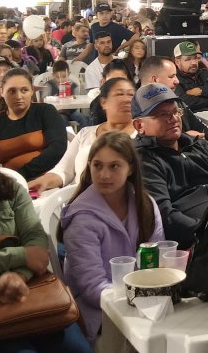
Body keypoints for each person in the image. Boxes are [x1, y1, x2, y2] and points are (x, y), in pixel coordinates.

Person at [0, 135, 92, 353]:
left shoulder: (9, 187)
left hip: (28, 289)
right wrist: (19, 257)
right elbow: (30, 253)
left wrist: (19, 275)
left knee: (79, 349)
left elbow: (35, 240)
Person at [61, 132, 163, 343]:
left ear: (130, 168)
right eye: (97, 166)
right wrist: (139, 300)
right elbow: (92, 288)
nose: (104, 175)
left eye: (114, 166)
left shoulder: (145, 204)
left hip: (142, 302)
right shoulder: (82, 218)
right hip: (98, 312)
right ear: (89, 166)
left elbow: (157, 261)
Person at [133, 83, 208, 247]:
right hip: (196, 246)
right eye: (163, 115)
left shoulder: (201, 146)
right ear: (139, 125)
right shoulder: (142, 160)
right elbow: (165, 216)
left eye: (176, 112)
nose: (174, 119)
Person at [27, 78, 136, 195]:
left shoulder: (142, 136)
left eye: (131, 95)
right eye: (119, 94)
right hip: (81, 199)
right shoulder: (85, 133)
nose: (127, 100)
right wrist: (43, 181)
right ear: (103, 102)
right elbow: (63, 170)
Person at [0, 68, 67, 181]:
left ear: (32, 90)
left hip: (44, 180)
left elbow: (58, 147)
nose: (18, 96)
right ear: (2, 92)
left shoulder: (45, 111)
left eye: (24, 90)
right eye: (12, 91)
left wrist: (20, 175)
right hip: (6, 184)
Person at [139, 55, 208, 148]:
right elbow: (144, 142)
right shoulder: (137, 108)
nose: (177, 81)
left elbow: (198, 124)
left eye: (176, 76)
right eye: (171, 77)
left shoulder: (177, 101)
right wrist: (184, 137)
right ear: (155, 80)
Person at [173, 40, 208, 112]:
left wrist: (201, 90)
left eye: (195, 58)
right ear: (177, 62)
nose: (194, 62)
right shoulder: (174, 78)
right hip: (193, 116)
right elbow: (185, 102)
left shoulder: (204, 72)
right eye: (188, 59)